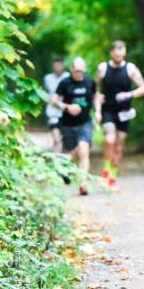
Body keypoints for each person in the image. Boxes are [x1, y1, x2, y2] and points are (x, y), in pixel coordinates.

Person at [94, 40, 144, 189]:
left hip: (124, 113)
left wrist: (129, 94)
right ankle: (105, 171)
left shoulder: (131, 69)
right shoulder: (103, 68)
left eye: (121, 53)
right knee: (110, 139)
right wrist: (98, 110)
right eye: (116, 53)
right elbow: (94, 89)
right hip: (108, 111)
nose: (119, 56)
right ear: (111, 53)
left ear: (124, 53)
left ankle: (113, 178)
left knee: (118, 147)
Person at [51, 57, 97, 196]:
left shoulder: (90, 81)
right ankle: (63, 169)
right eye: (77, 71)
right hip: (67, 124)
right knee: (70, 154)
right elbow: (54, 101)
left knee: (84, 150)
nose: (80, 74)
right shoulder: (64, 83)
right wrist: (66, 107)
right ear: (71, 69)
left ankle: (83, 184)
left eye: (83, 71)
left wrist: (98, 111)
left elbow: (96, 98)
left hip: (85, 122)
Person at [43, 57, 68, 154]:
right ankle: (56, 158)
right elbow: (47, 94)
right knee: (56, 137)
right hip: (52, 112)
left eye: (60, 65)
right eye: (56, 65)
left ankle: (60, 157)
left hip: (65, 112)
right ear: (53, 66)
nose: (58, 67)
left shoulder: (68, 77)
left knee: (64, 138)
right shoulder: (48, 78)